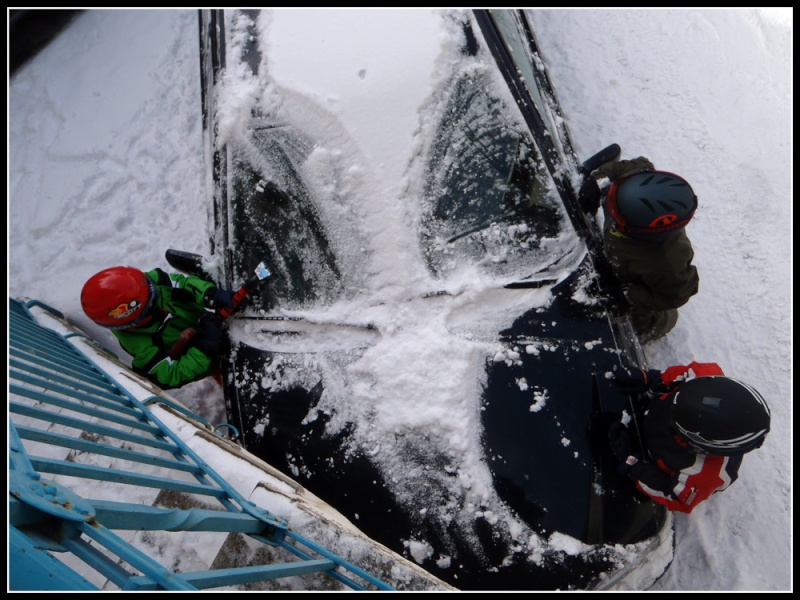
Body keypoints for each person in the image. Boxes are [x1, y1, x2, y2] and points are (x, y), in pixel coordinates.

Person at [607, 362, 770, 514]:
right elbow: (683, 374)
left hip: (655, 455)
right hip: (654, 417)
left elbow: (672, 494)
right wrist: (650, 379)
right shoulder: (704, 377)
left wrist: (633, 465)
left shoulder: (704, 475)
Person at [579, 155, 699, 342]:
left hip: (642, 310)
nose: (609, 208)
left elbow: (675, 294)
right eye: (612, 200)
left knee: (634, 327)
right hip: (617, 261)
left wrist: (627, 296)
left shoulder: (665, 261)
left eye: (614, 212)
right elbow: (631, 166)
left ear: (639, 232)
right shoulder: (634, 185)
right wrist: (596, 179)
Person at [80, 266, 239, 389]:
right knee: (237, 380)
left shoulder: (145, 284)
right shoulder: (139, 344)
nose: (158, 296)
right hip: (206, 358)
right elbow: (170, 375)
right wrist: (207, 346)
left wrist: (212, 294)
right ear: (133, 320)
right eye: (151, 303)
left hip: (214, 325)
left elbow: (183, 283)